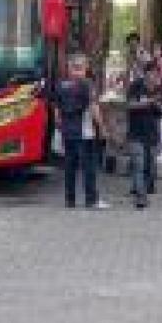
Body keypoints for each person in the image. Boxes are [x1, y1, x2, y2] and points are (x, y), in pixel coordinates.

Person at [53, 54, 110, 210]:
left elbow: (56, 112)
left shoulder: (61, 85)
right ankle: (91, 200)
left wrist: (61, 126)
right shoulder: (87, 84)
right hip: (84, 133)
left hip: (67, 132)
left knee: (69, 167)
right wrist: (102, 127)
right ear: (84, 68)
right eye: (82, 67)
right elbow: (93, 107)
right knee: (89, 168)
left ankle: (70, 200)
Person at [126, 60, 162, 208]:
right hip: (136, 133)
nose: (154, 76)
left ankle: (143, 187)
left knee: (150, 166)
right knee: (138, 164)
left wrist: (156, 104)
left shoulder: (159, 88)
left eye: (156, 73)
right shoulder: (136, 86)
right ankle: (141, 197)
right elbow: (129, 105)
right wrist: (147, 102)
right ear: (146, 73)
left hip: (152, 133)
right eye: (152, 73)